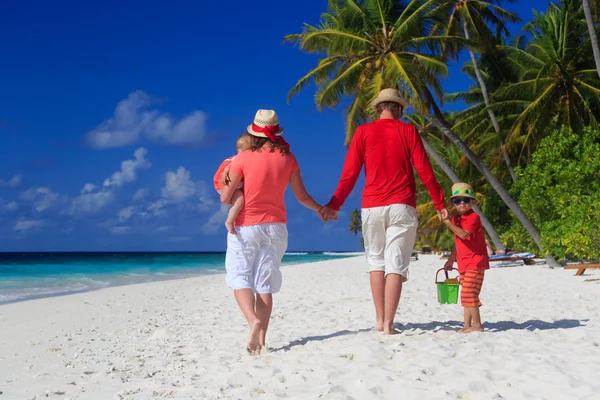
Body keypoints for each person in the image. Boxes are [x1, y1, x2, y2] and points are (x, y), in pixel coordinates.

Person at [320, 88, 448, 335]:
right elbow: (424, 171)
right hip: (402, 205)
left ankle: (379, 320)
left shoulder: (363, 132)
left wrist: (334, 205)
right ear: (399, 108)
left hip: (372, 206)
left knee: (376, 262)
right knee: (396, 265)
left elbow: (350, 174)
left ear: (378, 108)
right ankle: (390, 324)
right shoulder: (408, 130)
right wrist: (439, 204)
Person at [220, 109, 324, 355]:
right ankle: (262, 340)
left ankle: (252, 321)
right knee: (264, 284)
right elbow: (301, 196)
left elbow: (226, 197)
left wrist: (226, 181)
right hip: (276, 226)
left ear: (253, 132)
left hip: (246, 226)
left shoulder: (243, 158)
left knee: (240, 278)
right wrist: (321, 209)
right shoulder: (288, 158)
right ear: (276, 131)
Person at [443, 182, 490, 333]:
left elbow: (463, 234)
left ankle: (477, 325)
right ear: (454, 204)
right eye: (457, 200)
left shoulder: (473, 217)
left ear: (472, 202)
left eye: (465, 200)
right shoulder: (457, 220)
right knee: (467, 295)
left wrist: (447, 223)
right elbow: (458, 241)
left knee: (469, 293)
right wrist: (451, 259)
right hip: (463, 263)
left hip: (475, 262)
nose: (462, 203)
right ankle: (466, 325)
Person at [213, 134, 252, 234]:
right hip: (226, 184)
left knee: (239, 202)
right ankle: (229, 221)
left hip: (230, 185)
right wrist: (225, 174)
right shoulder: (238, 159)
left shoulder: (237, 158)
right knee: (239, 202)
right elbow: (228, 167)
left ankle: (232, 220)